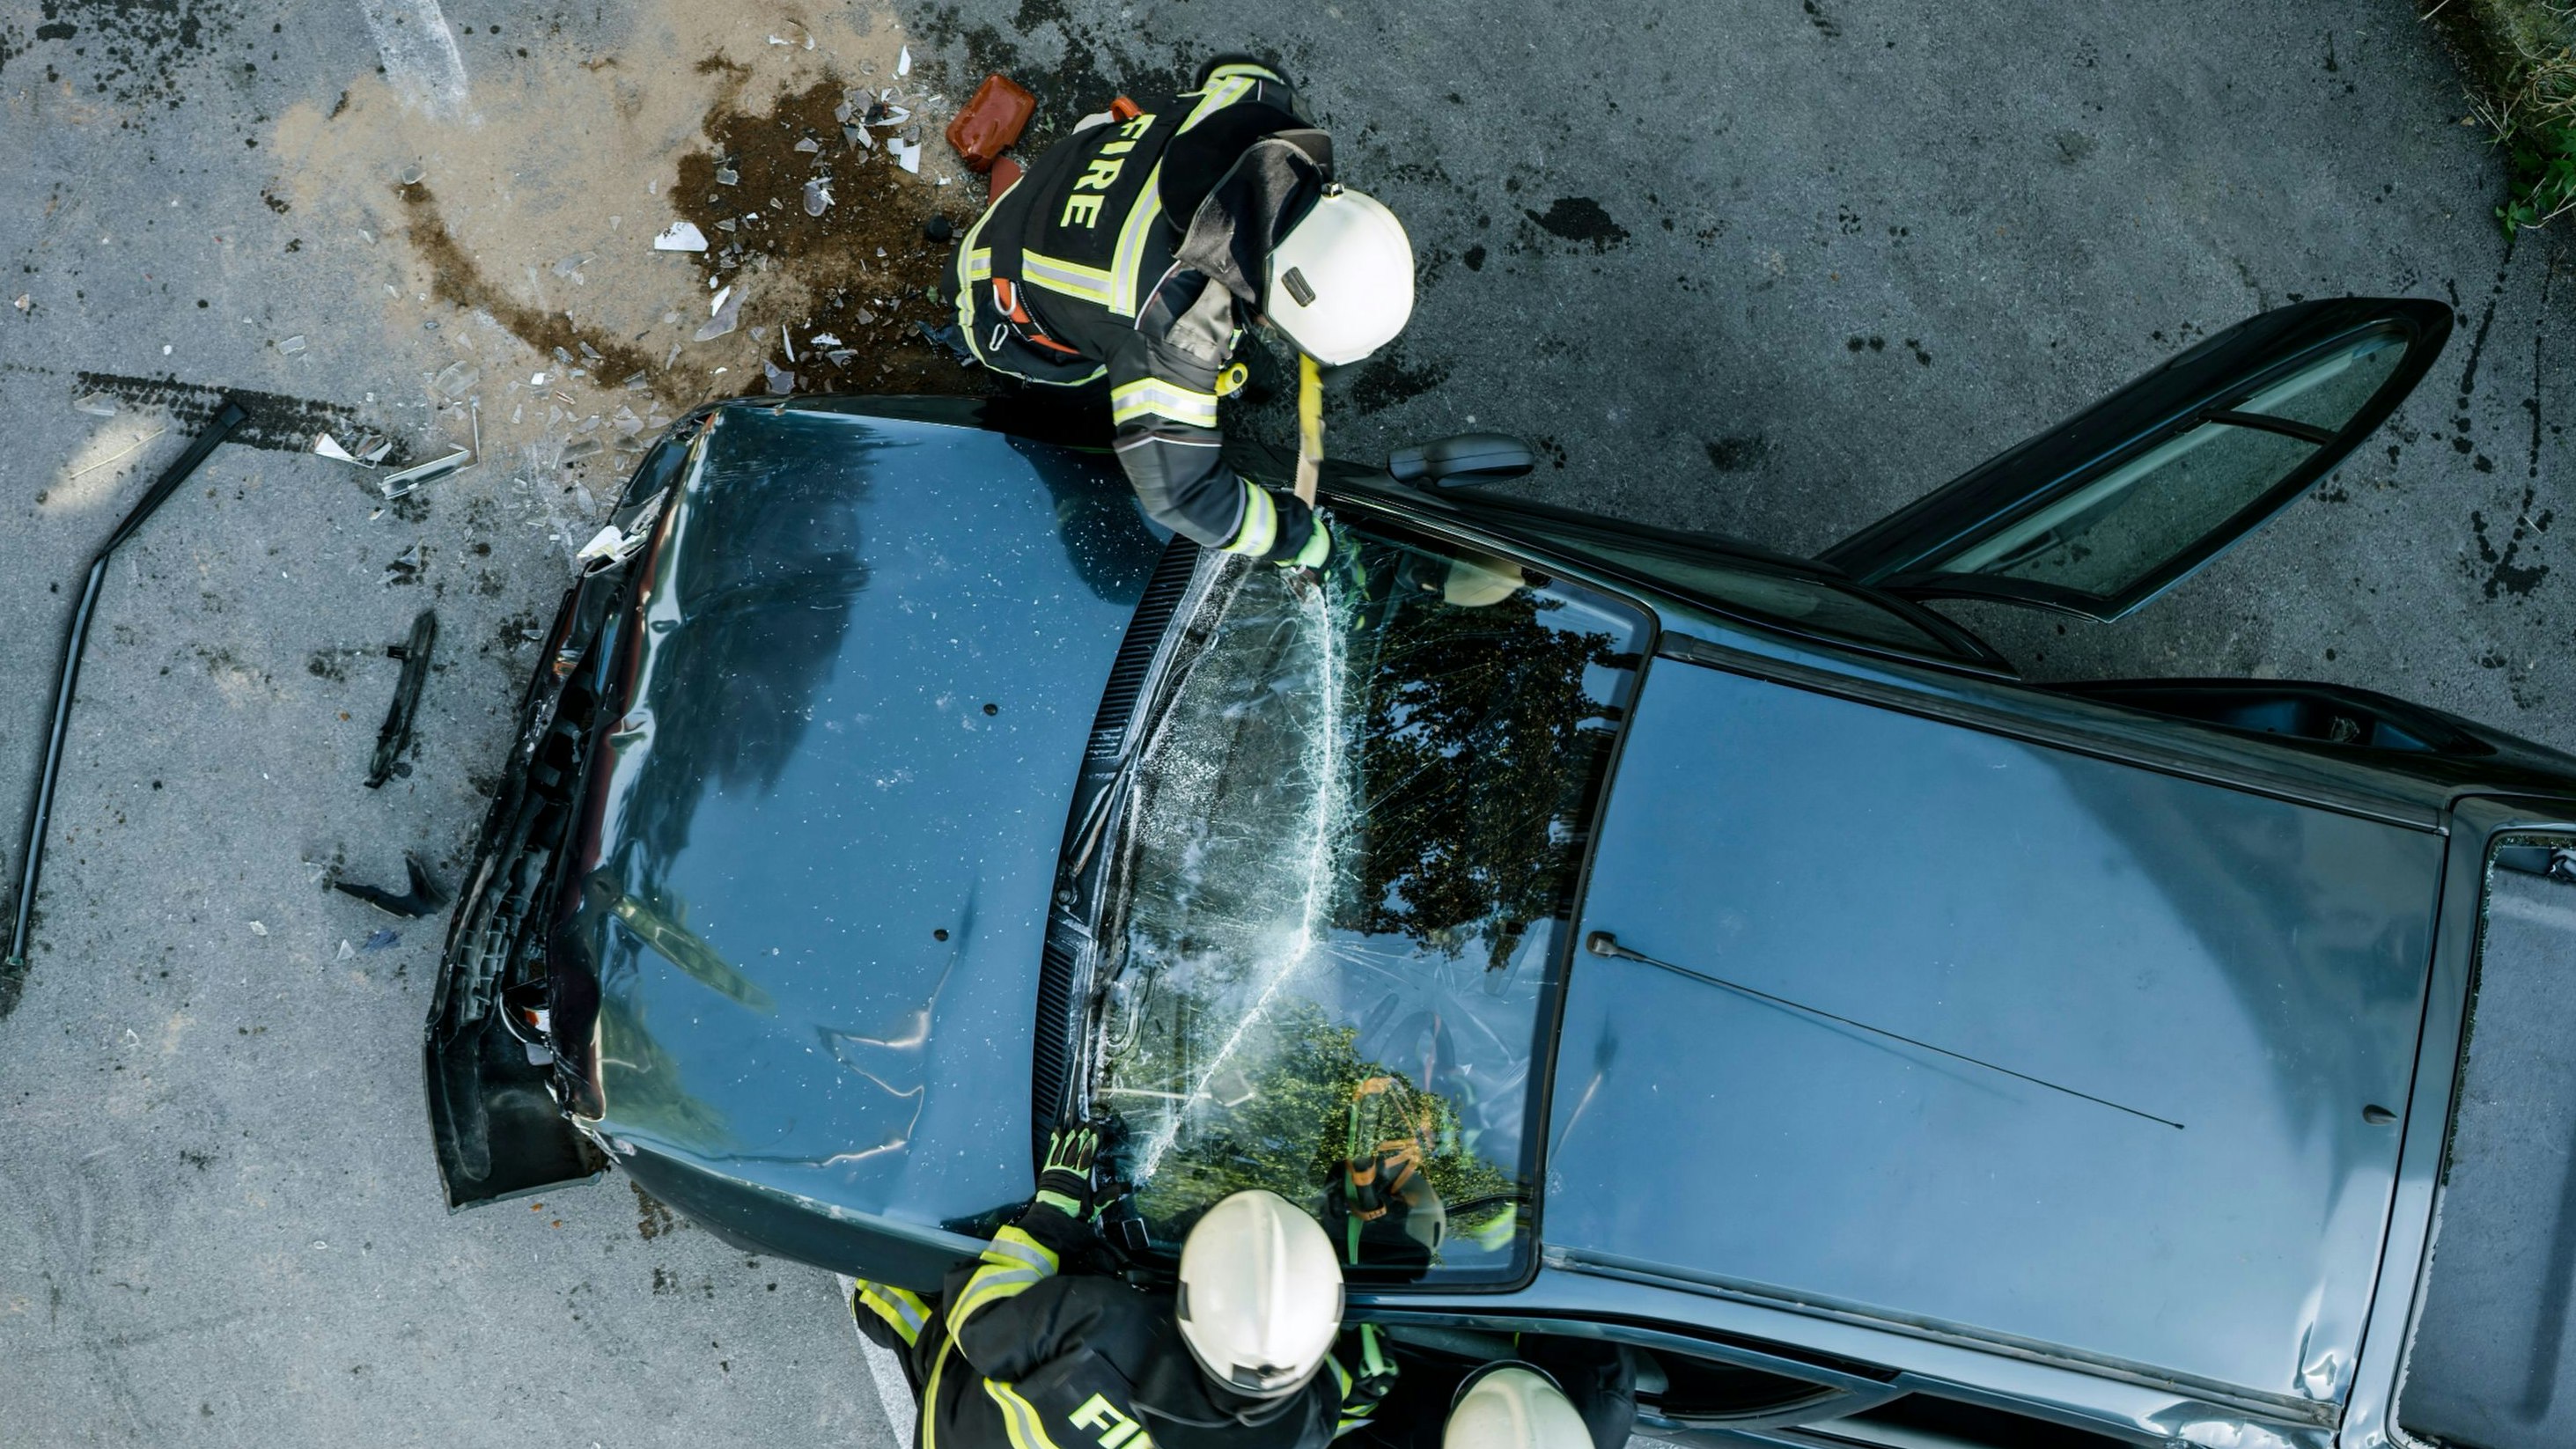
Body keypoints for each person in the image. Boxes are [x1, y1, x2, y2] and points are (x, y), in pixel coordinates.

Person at [941, 55, 1416, 570]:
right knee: (1094, 416)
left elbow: (1234, 67)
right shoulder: (1167, 328)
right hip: (995, 292)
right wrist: (1290, 537)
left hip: (1067, 177)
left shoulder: (1256, 108)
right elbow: (1182, 494)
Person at [849, 1125, 1401, 1449]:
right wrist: (1355, 1395)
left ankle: (876, 1302)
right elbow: (1304, 1421)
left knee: (913, 1304)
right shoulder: (1299, 1425)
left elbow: (980, 1317)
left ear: (1188, 1295)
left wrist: (1051, 1221)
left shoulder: (1099, 1323)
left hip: (958, 1432)